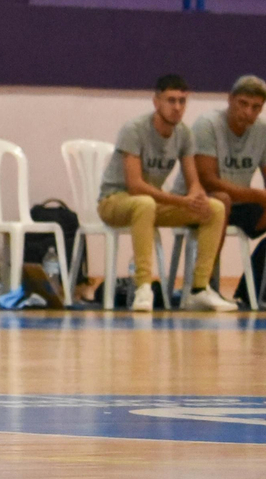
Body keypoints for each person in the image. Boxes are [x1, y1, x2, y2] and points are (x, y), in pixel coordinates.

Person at [96, 74, 235, 312]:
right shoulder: (135, 129)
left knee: (215, 208)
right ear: (156, 102)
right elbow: (135, 185)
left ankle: (199, 289)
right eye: (171, 100)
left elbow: (193, 180)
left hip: (151, 203)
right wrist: (180, 200)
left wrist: (197, 197)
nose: (177, 107)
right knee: (144, 203)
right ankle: (143, 287)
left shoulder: (184, 134)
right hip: (115, 201)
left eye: (182, 101)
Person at [191, 75, 266, 306]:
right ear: (230, 99)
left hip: (240, 204)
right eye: (243, 104)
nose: (249, 112)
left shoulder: (262, 131)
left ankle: (255, 290)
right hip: (198, 202)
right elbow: (208, 180)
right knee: (221, 200)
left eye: (256, 107)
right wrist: (257, 195)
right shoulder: (208, 124)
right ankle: (203, 287)